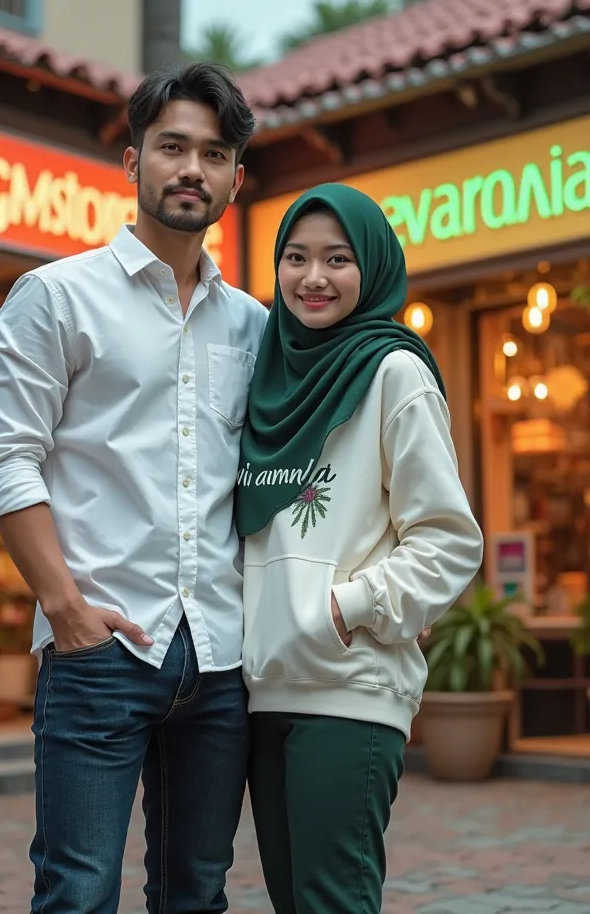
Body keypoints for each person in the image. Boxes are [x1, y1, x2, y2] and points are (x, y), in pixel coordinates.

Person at [0, 62, 268, 914]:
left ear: (235, 182)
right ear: (133, 163)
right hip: (99, 651)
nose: (192, 170)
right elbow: (5, 460)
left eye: (214, 155)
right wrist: (65, 610)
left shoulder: (252, 324)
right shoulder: (56, 297)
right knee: (77, 894)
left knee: (196, 895)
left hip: (219, 658)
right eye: (172, 146)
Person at [235, 183, 484, 914]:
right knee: (295, 901)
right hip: (262, 688)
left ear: (370, 267)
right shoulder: (268, 380)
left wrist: (347, 608)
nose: (313, 277)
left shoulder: (394, 373)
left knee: (332, 902)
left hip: (351, 691)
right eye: (296, 257)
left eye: (337, 259)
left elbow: (446, 538)